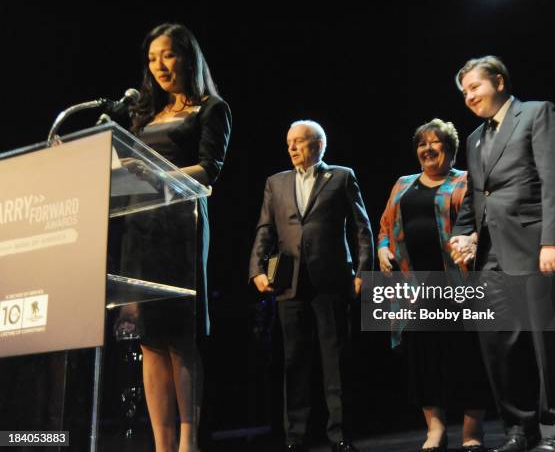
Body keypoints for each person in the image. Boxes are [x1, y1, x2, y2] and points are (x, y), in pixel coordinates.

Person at [450, 56, 555, 452]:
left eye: (475, 87)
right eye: (464, 92)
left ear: (500, 82)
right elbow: (476, 197)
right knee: (498, 348)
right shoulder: (474, 139)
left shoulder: (537, 113)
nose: (469, 96)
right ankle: (518, 429)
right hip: (492, 257)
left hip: (537, 248)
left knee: (547, 347)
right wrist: (463, 235)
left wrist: (552, 241)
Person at [124, 23, 231, 452]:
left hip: (182, 224)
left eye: (167, 55)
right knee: (149, 338)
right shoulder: (145, 112)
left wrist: (158, 175)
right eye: (152, 59)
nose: (159, 66)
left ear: (187, 57)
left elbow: (210, 170)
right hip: (140, 225)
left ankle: (188, 442)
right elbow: (127, 162)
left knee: (179, 335)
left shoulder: (212, 108)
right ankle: (161, 444)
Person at [249, 120, 373, 452]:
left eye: (299, 142)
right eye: (289, 142)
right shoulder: (276, 183)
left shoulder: (342, 176)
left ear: (318, 145)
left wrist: (362, 271)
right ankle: (295, 437)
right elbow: (265, 228)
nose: (292, 148)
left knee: (335, 360)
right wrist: (256, 269)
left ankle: (340, 436)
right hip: (289, 282)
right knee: (294, 361)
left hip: (331, 280)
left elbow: (362, 227)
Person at [378, 119, 490, 452]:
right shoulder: (403, 185)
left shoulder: (466, 181)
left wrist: (470, 241)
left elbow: (482, 225)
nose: (427, 149)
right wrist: (383, 248)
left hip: (459, 284)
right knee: (423, 360)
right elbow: (385, 227)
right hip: (415, 289)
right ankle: (435, 430)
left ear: (451, 148)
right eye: (421, 144)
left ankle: (472, 432)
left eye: (435, 142)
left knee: (467, 358)